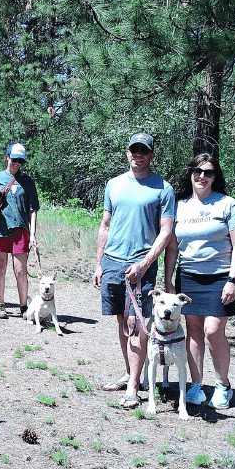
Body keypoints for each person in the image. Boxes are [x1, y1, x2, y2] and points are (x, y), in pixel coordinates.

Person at [93, 133, 174, 409]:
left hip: (140, 264)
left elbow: (165, 232)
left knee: (136, 323)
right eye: (134, 149)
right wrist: (98, 263)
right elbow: (105, 225)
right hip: (113, 262)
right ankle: (131, 373)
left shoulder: (163, 188)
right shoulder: (113, 184)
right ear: (127, 153)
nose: (138, 154)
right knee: (121, 320)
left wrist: (144, 264)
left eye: (143, 150)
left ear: (152, 155)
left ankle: (133, 387)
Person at [163, 154, 235, 409]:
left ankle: (223, 386)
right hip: (188, 276)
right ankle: (196, 386)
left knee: (212, 330)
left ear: (214, 177)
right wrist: (168, 280)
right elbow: (172, 247)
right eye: (197, 171)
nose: (202, 176)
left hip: (221, 277)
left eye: (208, 173)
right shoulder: (179, 206)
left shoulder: (228, 205)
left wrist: (232, 280)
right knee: (194, 331)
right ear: (190, 173)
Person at [0, 143, 39, 319]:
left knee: (20, 270)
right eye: (14, 159)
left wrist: (33, 234)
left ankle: (23, 306)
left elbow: (33, 209)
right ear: (7, 157)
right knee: (0, 268)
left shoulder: (28, 182)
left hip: (20, 230)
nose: (17, 163)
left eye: (20, 161)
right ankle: (0, 305)